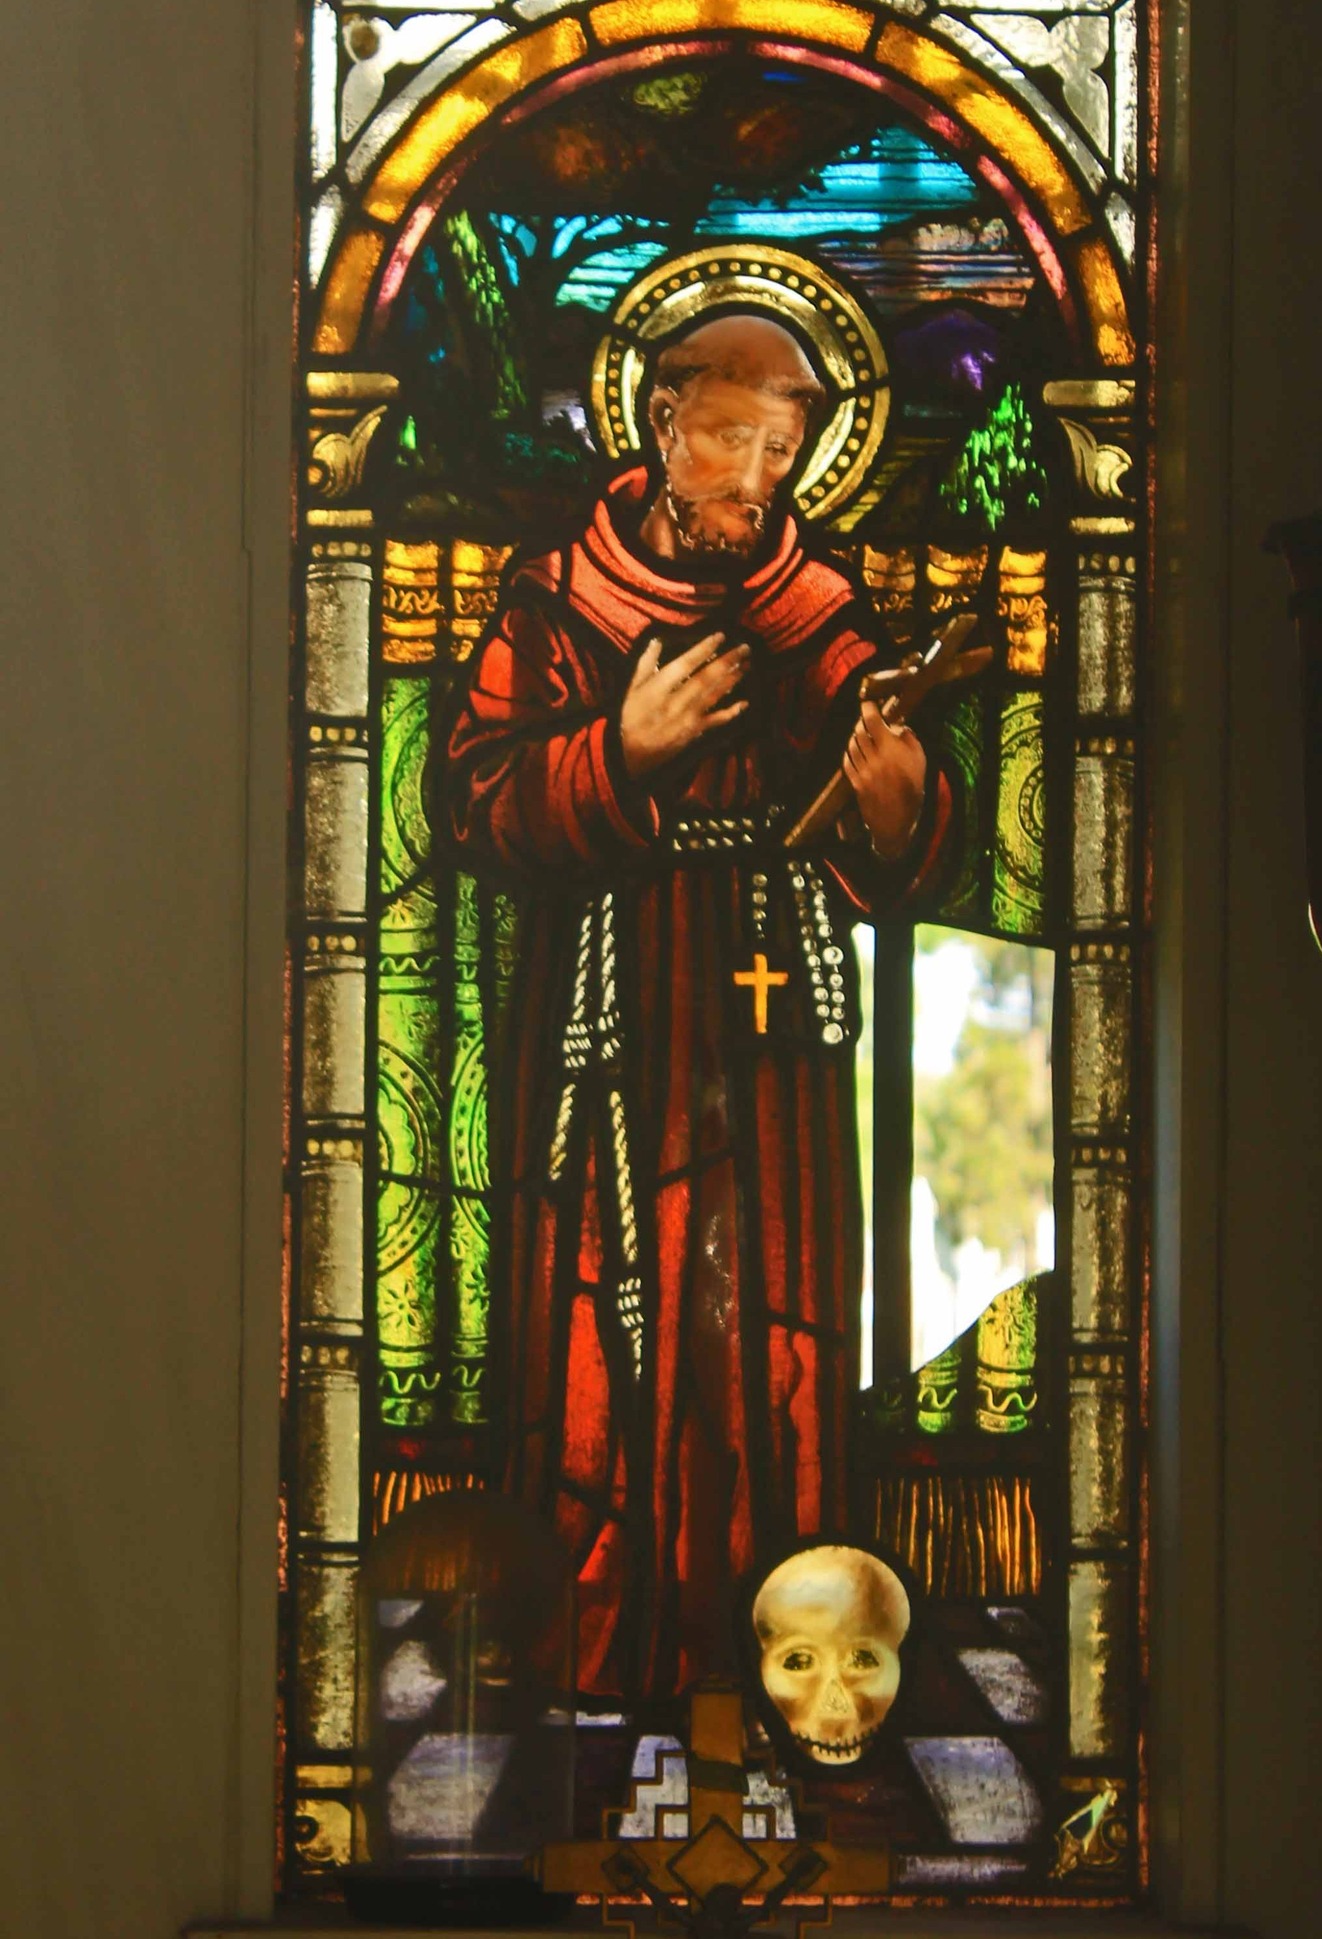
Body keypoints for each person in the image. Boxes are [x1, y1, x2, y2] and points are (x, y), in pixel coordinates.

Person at [446, 313, 958, 1700]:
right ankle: (594, 1653)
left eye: (781, 451)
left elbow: (902, 822)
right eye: (730, 439)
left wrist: (892, 792)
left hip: (769, 1032)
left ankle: (781, 1650)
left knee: (771, 1317)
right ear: (661, 424)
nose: (753, 479)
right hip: (604, 1024)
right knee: (605, 1316)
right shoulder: (559, 599)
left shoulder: (813, 613)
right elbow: (477, 798)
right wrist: (622, 750)